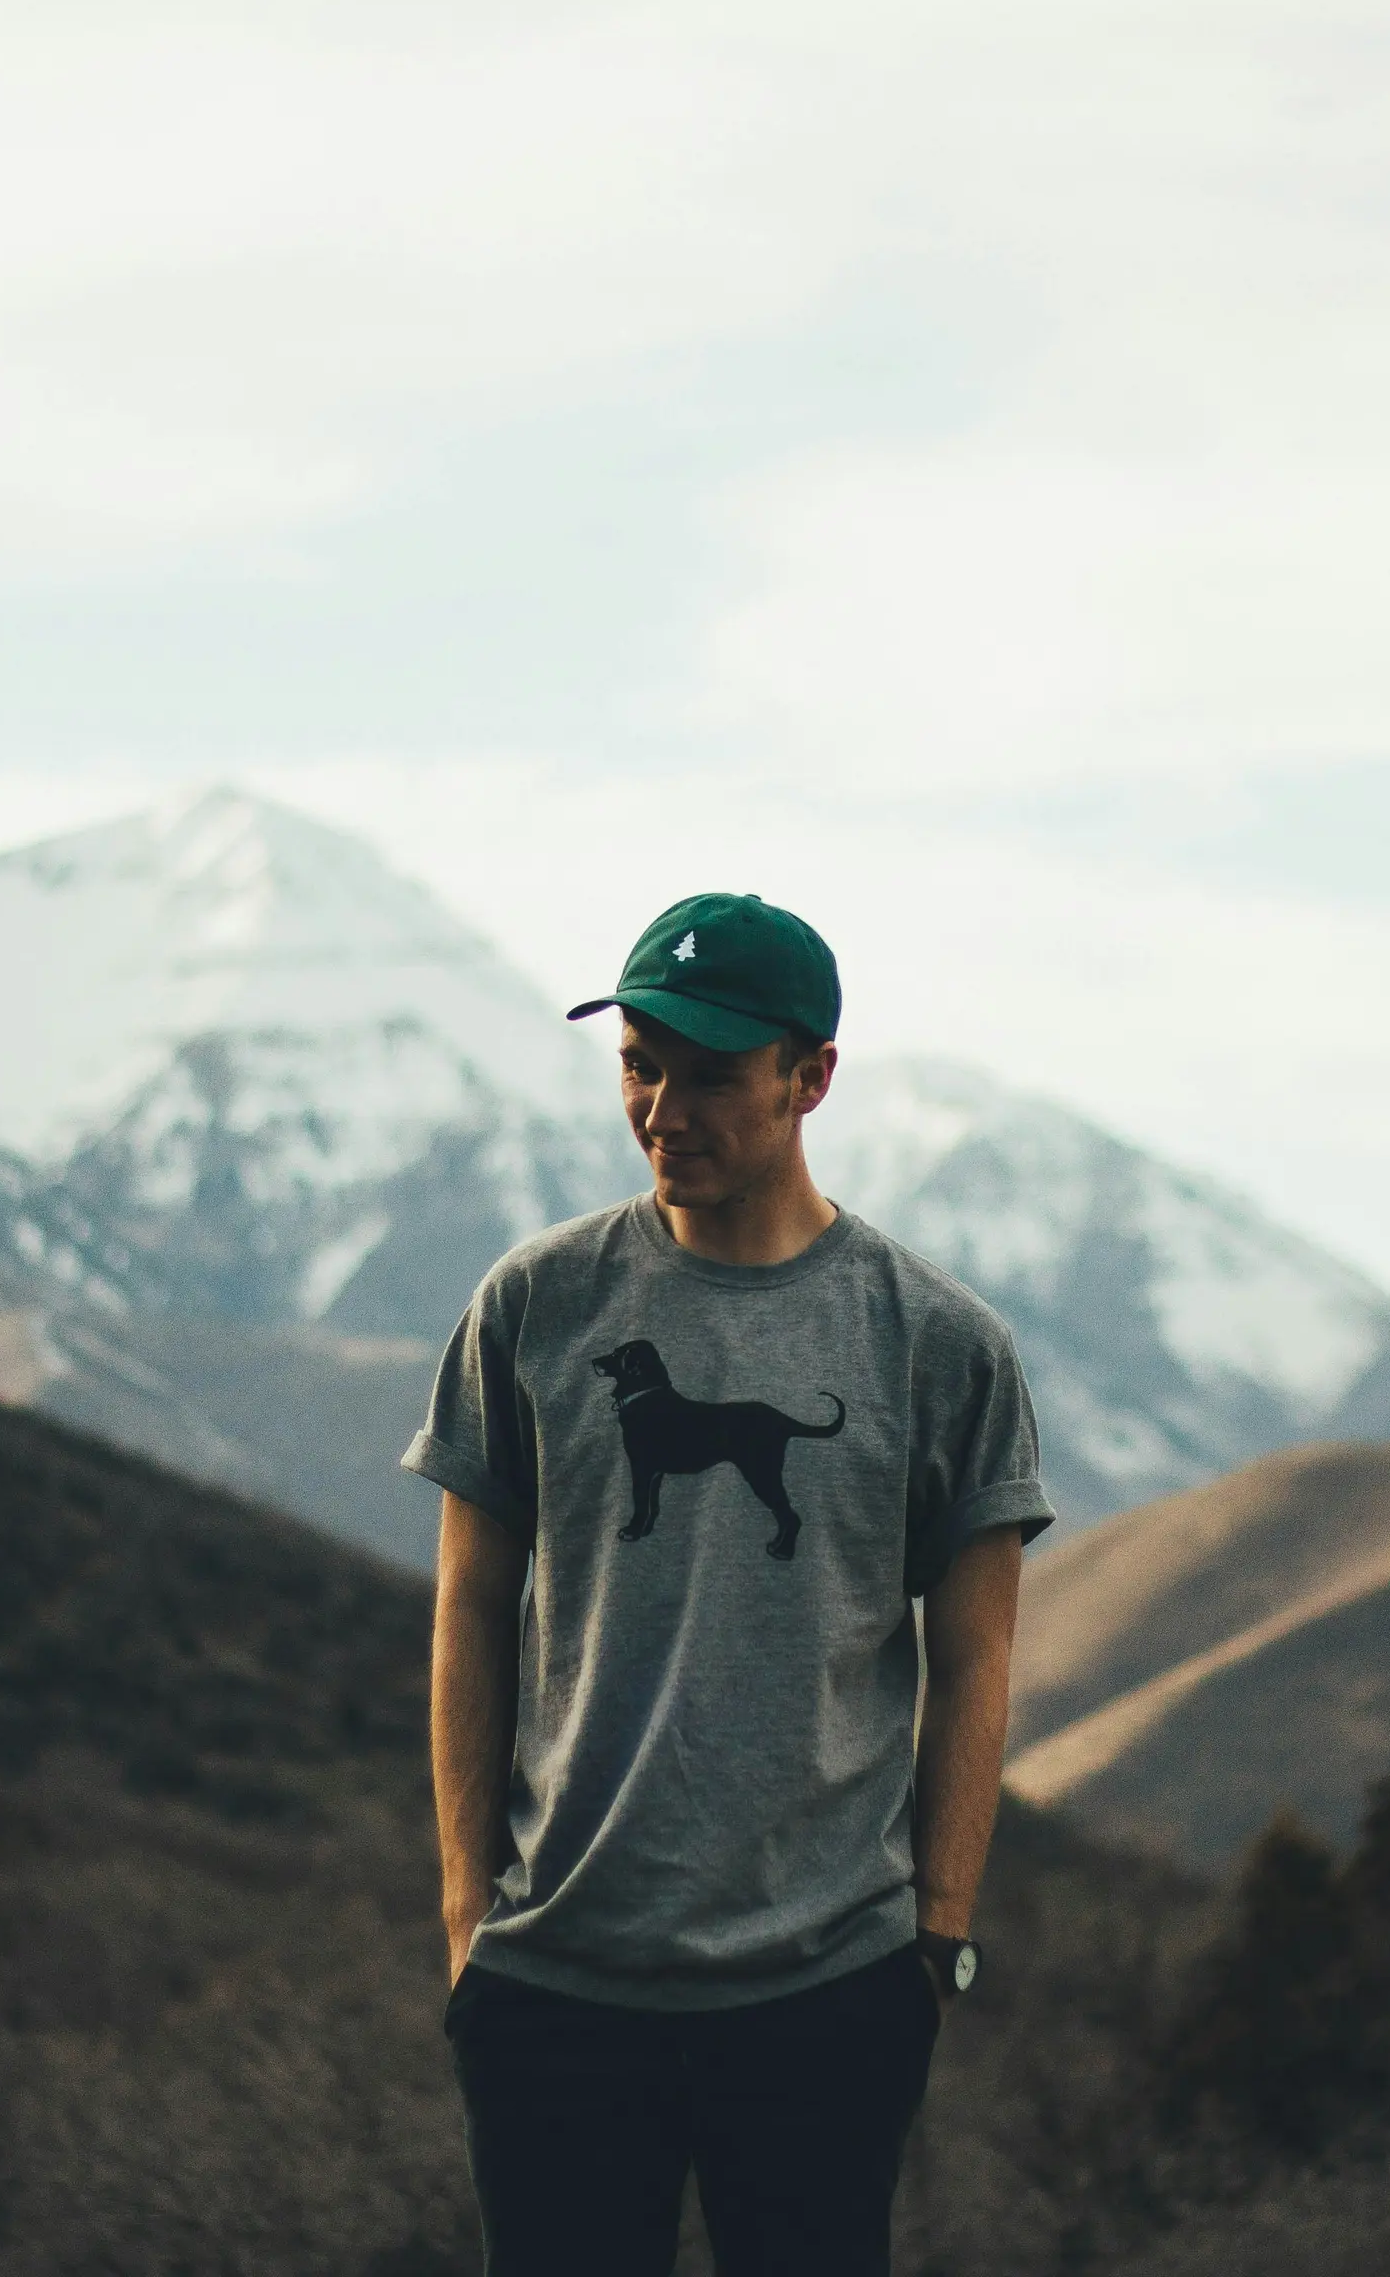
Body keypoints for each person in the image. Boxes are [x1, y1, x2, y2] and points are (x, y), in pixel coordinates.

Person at [402, 891, 1052, 2277]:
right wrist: (467, 1916)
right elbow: (469, 1610)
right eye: (640, 1066)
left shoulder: (940, 1345)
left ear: (810, 1078)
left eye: (709, 1076)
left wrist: (936, 1940)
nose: (663, 1110)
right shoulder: (532, 1305)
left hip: (827, 1991)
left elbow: (976, 1661)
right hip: (556, 1980)